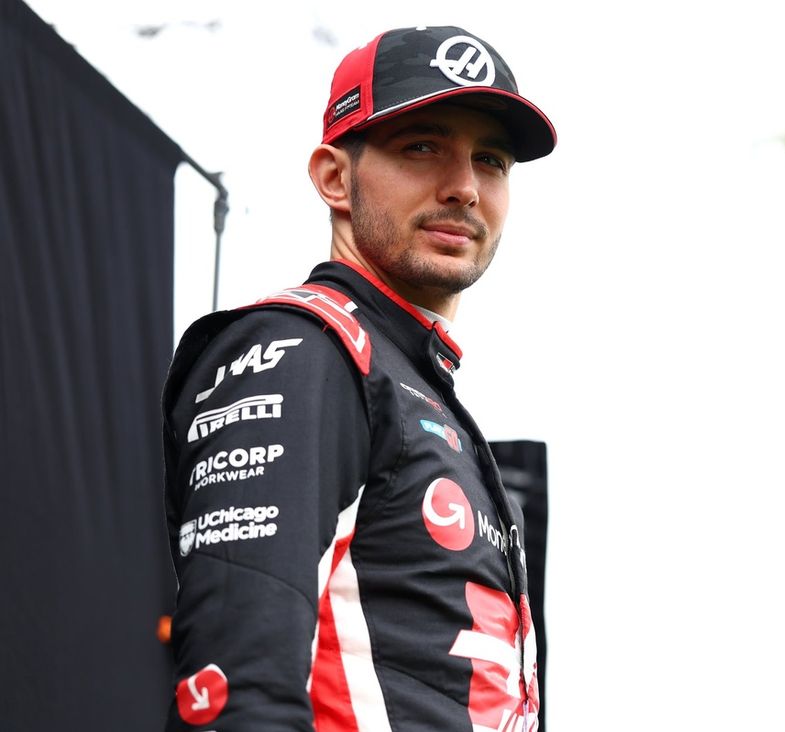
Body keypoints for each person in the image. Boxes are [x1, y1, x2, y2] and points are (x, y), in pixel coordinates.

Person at [161, 26, 556, 732]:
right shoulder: (304, 347)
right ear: (334, 177)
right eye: (422, 147)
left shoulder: (416, 382)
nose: (464, 187)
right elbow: (235, 689)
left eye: (490, 160)